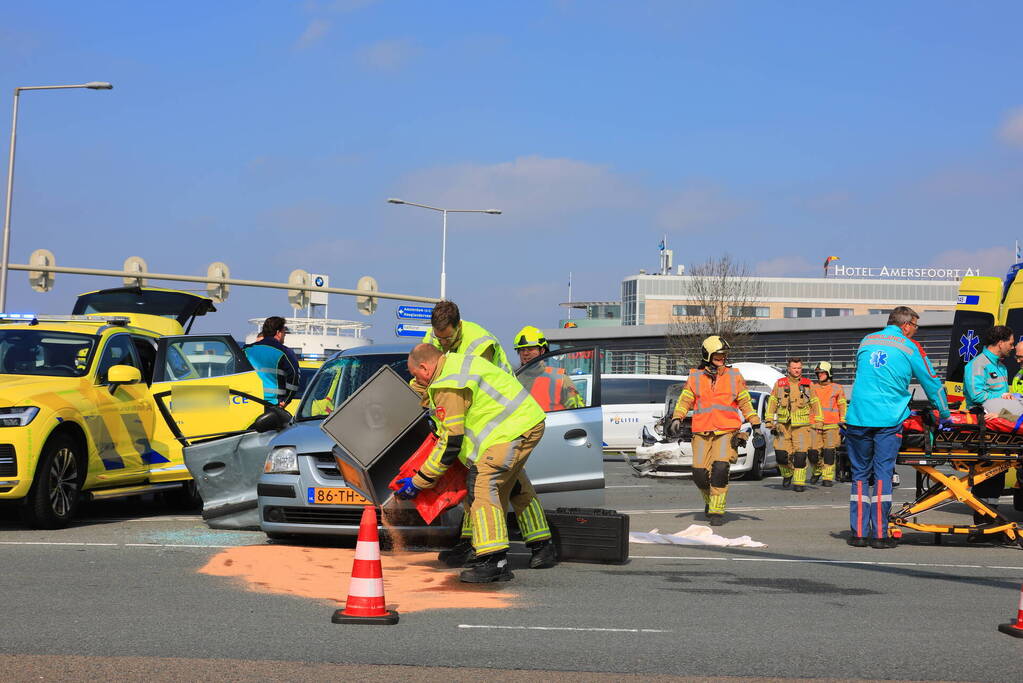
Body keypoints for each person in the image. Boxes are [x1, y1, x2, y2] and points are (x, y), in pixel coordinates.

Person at [396, 344, 556, 583]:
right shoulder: (456, 364)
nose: (415, 379)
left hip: (509, 432)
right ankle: (542, 546)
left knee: (482, 486)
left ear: (424, 367)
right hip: (523, 423)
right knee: (511, 485)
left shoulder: (448, 385)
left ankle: (494, 560)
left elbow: (450, 442)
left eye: (415, 374)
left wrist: (419, 482)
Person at [845, 306, 951, 549]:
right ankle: (880, 535)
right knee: (882, 474)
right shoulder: (909, 347)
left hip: (858, 417)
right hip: (887, 419)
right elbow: (932, 384)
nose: (915, 331)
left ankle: (859, 534)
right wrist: (944, 414)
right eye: (915, 326)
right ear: (905, 325)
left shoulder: (866, 340)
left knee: (860, 475)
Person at [668, 336, 760, 526]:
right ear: (707, 355)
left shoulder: (734, 376)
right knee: (699, 474)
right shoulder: (695, 377)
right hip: (702, 432)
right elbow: (685, 400)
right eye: (718, 355)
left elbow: (745, 402)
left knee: (720, 469)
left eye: (724, 355)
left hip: (726, 431)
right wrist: (677, 417)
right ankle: (710, 501)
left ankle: (717, 510)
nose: (722, 358)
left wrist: (755, 423)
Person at [962, 324, 1015, 542]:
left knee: (997, 474)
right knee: (985, 474)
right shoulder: (978, 365)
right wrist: (1006, 410)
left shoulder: (1000, 367)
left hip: (999, 422)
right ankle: (983, 523)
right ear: (1000, 342)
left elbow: (1002, 396)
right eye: (1011, 343)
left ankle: (992, 522)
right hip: (984, 423)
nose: (1012, 347)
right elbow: (977, 395)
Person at [766, 358, 821, 493]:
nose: (797, 370)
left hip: (802, 426)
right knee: (781, 455)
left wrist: (819, 421)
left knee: (800, 456)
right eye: (794, 368)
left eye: (799, 368)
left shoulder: (808, 384)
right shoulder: (779, 384)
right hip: (783, 425)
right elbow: (772, 402)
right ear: (788, 369)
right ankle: (787, 474)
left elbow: (815, 403)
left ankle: (799, 482)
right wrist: (769, 420)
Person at [423, 300, 512, 373]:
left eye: (448, 338)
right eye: (438, 338)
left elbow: (476, 381)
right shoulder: (430, 338)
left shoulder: (480, 343)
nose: (443, 342)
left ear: (459, 326)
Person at [513, 325, 583, 411]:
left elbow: (579, 411)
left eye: (530, 349)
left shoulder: (560, 379)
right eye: (522, 350)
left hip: (555, 424)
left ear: (542, 351)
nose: (525, 353)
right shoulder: (514, 380)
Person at [244, 316, 300, 408]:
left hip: (249, 402)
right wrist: (286, 400)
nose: (285, 334)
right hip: (273, 404)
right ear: (278, 333)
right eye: (284, 331)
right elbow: (294, 376)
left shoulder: (247, 350)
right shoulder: (285, 352)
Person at [809, 361, 847, 488]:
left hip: (832, 425)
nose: (819, 375)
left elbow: (842, 405)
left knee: (829, 453)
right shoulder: (812, 387)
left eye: (822, 373)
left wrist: (843, 420)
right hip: (815, 425)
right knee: (813, 453)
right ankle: (817, 470)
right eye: (818, 373)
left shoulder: (837, 388)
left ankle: (827, 477)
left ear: (829, 373)